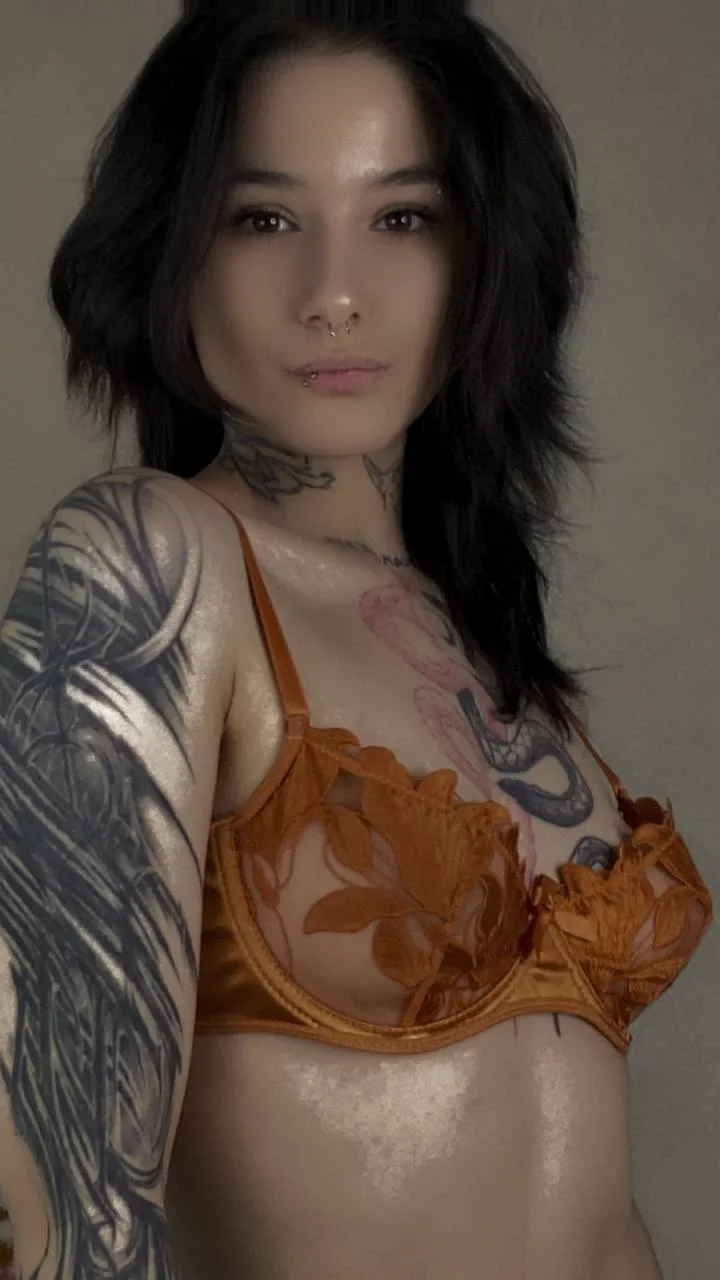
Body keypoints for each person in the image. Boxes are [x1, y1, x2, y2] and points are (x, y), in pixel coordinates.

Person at [0, 2, 713, 1277]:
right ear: (170, 249)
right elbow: (73, 1208)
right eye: (263, 219)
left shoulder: (481, 628)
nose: (334, 293)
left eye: (405, 217)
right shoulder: (152, 564)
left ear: (483, 250)